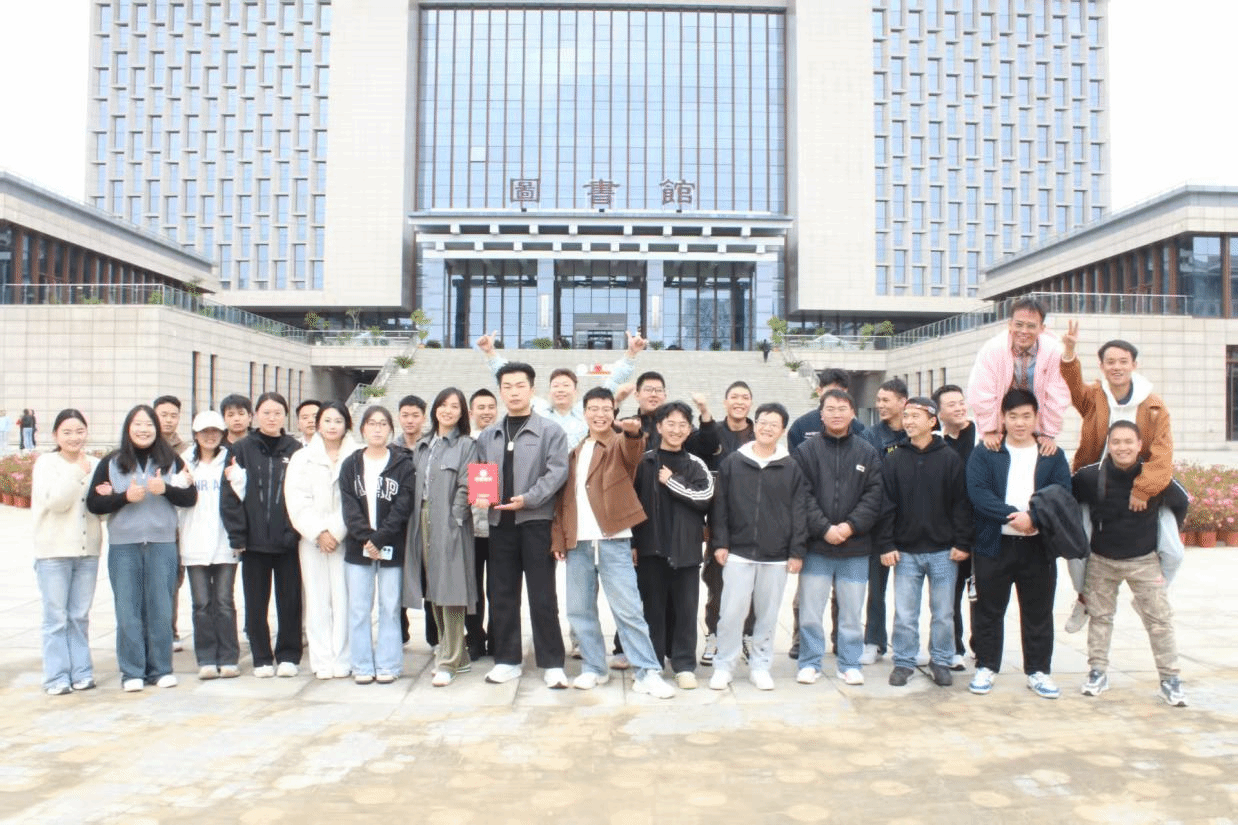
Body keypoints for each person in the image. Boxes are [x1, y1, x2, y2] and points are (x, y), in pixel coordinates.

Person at [551, 387, 674, 699]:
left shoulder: (619, 443)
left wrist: (633, 433)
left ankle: (647, 672)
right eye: (594, 408)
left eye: (606, 409)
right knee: (579, 611)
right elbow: (564, 500)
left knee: (628, 610)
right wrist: (559, 538)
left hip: (613, 541)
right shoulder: (576, 451)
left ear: (613, 413)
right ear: (584, 412)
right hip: (578, 543)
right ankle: (594, 667)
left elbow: (633, 451)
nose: (600, 414)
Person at [1059, 324, 1178, 634]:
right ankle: (1084, 598)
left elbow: (1163, 454)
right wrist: (1069, 353)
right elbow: (1073, 386)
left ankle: (1151, 596)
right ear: (1101, 366)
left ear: (1134, 364)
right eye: (1110, 361)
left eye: (1123, 361)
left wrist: (1144, 489)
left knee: (1174, 551)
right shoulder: (1094, 397)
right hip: (1095, 485)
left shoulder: (1153, 405)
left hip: (1140, 487)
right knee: (1077, 549)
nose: (1117, 367)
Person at [1072, 422, 1188, 707]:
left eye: (1128, 442)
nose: (1122, 448)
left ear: (1139, 446)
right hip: (1102, 560)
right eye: (1116, 442)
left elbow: (1181, 502)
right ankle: (1097, 672)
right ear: (1108, 445)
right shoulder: (1089, 476)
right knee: (1100, 618)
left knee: (1160, 621)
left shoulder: (1155, 477)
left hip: (1144, 561)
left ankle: (1170, 679)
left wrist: (1168, 536)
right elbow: (1069, 500)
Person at [965, 389, 1071, 699]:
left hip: (1037, 546)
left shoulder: (1051, 454)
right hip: (994, 544)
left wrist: (1034, 518)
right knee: (988, 609)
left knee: (1038, 611)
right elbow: (978, 493)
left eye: (1026, 416)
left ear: (1037, 418)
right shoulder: (987, 452)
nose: (1020, 423)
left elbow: (1062, 493)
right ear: (1003, 418)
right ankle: (986, 666)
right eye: (1013, 416)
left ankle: (1038, 671)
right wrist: (1014, 517)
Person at [87, 404, 197, 692]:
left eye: (149, 424)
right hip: (125, 546)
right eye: (137, 424)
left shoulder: (171, 460)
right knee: (128, 610)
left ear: (156, 429)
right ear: (128, 428)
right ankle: (132, 671)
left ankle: (161, 669)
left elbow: (190, 497)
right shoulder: (111, 462)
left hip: (162, 544)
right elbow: (94, 503)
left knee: (161, 608)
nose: (143, 429)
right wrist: (124, 497)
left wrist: (166, 490)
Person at [474, 362, 571, 688]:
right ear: (500, 391)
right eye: (507, 387)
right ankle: (507, 660)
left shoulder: (550, 431)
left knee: (542, 595)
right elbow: (481, 472)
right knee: (501, 593)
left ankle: (552, 663)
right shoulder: (489, 435)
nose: (513, 392)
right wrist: (481, 496)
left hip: (536, 523)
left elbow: (557, 472)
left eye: (520, 386)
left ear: (532, 390)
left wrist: (529, 499)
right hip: (499, 523)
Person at [709, 402, 807, 691]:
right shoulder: (734, 462)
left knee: (767, 614)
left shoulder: (791, 466)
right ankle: (724, 665)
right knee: (731, 613)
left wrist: (796, 551)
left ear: (782, 430)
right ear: (755, 425)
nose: (767, 428)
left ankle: (760, 665)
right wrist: (720, 543)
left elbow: (799, 511)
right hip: (738, 552)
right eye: (763, 422)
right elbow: (720, 506)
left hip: (776, 556)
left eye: (774, 424)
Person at [793, 389, 886, 686]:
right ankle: (810, 662)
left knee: (851, 613)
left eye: (842, 408)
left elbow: (874, 495)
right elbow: (801, 495)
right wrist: (824, 528)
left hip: (855, 548)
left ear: (853, 413)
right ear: (821, 414)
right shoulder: (806, 452)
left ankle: (849, 663)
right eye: (830, 409)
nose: (836, 414)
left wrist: (849, 527)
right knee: (810, 612)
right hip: (816, 548)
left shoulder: (866, 451)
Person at [881, 397, 972, 688]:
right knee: (905, 614)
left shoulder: (949, 459)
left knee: (943, 613)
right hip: (905, 552)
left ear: (932, 421)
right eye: (906, 416)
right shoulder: (894, 458)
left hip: (943, 551)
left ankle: (941, 660)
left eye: (915, 416)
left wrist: (962, 542)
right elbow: (886, 505)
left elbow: (961, 504)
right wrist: (886, 544)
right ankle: (904, 662)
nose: (908, 421)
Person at [220, 391, 303, 678]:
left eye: (277, 413)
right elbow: (230, 495)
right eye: (266, 412)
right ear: (256, 415)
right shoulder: (241, 449)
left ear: (285, 416)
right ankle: (262, 657)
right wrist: (237, 535)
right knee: (256, 603)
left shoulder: (296, 449)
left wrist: (295, 531)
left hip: (287, 541)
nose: (271, 418)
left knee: (290, 601)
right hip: (253, 542)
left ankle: (289, 655)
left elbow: (302, 494)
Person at [632, 401, 715, 688]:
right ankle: (652, 663)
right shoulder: (644, 462)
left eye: (683, 425)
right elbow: (632, 504)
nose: (676, 430)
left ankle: (684, 665)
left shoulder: (695, 464)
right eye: (671, 424)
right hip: (650, 549)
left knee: (685, 611)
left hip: (686, 551)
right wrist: (633, 543)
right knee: (652, 610)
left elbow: (705, 496)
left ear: (690, 430)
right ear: (659, 427)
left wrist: (672, 481)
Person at [404, 388, 479, 687]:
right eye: (443, 405)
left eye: (455, 406)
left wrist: (456, 517)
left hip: (451, 520)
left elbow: (468, 484)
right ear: (435, 408)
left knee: (453, 588)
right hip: (422, 518)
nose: (448, 410)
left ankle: (449, 660)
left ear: (462, 413)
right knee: (434, 587)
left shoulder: (466, 445)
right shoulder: (424, 444)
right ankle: (456, 655)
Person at [339, 406, 416, 684]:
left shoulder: (403, 465)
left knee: (390, 607)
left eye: (383, 424)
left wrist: (379, 539)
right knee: (359, 610)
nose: (377, 428)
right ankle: (361, 665)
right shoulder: (350, 464)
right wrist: (366, 538)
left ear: (390, 430)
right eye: (372, 423)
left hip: (392, 547)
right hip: (358, 548)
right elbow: (349, 506)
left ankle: (388, 664)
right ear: (362, 429)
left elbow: (403, 507)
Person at [284, 401, 360, 680]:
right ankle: (322, 659)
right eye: (327, 420)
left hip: (345, 538)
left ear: (347, 424)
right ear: (318, 424)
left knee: (343, 599)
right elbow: (296, 499)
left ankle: (343, 658)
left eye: (338, 421)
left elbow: (356, 500)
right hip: (312, 539)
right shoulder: (302, 458)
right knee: (316, 600)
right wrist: (318, 532)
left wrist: (336, 532)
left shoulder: (357, 456)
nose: (332, 426)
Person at [477, 329, 647, 448]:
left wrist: (631, 354)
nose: (560, 390)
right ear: (549, 391)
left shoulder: (585, 411)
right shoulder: (538, 409)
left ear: (576, 392)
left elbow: (613, 382)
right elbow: (511, 379)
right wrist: (490, 352)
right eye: (556, 386)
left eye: (566, 386)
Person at [32, 409, 103, 695]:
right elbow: (56, 502)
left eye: (80, 431)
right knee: (56, 618)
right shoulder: (46, 463)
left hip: (88, 553)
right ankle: (56, 677)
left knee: (79, 616)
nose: (75, 437)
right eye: (67, 432)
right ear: (55, 435)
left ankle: (82, 672)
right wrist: (76, 472)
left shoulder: (95, 464)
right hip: (53, 553)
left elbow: (99, 510)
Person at [179, 410, 241, 680]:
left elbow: (243, 496)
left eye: (215, 431)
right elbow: (176, 498)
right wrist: (181, 483)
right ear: (195, 435)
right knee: (201, 603)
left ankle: (228, 658)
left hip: (224, 542)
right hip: (194, 543)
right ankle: (206, 658)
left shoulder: (231, 460)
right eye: (204, 432)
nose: (210, 436)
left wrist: (237, 478)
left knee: (224, 602)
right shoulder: (185, 462)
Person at [966, 297, 1070, 456]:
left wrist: (1048, 434)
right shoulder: (992, 350)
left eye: (1031, 326)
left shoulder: (1054, 352)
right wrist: (990, 430)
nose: (1024, 331)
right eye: (1019, 325)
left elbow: (1058, 396)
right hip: (999, 425)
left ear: (1042, 328)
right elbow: (981, 392)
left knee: (1049, 457)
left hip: (1036, 427)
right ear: (1010, 324)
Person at [701, 380, 756, 667]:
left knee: (752, 587)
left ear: (750, 403)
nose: (739, 402)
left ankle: (747, 635)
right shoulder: (713, 434)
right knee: (717, 584)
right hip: (717, 523)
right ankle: (714, 635)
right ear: (725, 402)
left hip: (753, 523)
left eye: (745, 397)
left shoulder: (758, 434)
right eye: (734, 396)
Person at [859, 377, 909, 666]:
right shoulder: (871, 436)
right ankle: (873, 641)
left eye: (885, 400)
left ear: (903, 402)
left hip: (912, 524)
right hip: (879, 525)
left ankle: (907, 644)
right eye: (878, 400)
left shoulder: (917, 431)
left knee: (909, 592)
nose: (880, 405)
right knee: (876, 591)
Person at [932, 382, 980, 670]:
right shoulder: (936, 442)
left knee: (981, 594)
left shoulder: (982, 434)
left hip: (980, 528)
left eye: (962, 402)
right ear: (939, 413)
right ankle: (953, 648)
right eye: (952, 404)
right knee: (950, 595)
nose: (960, 408)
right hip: (949, 532)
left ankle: (981, 647)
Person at [465, 388, 499, 660]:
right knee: (472, 589)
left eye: (490, 407)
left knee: (499, 589)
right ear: (471, 412)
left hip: (499, 527)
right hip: (470, 529)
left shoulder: (503, 439)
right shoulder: (465, 443)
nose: (486, 412)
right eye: (481, 407)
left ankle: (499, 639)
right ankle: (475, 638)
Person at [394, 394, 429, 647]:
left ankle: (435, 636)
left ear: (424, 418)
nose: (410, 420)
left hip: (426, 519)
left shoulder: (431, 446)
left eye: (415, 415)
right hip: (399, 523)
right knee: (396, 578)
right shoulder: (391, 449)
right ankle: (399, 632)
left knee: (430, 578)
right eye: (405, 415)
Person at [154, 394, 186, 650]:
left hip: (178, 527)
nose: (168, 420)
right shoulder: (144, 445)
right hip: (151, 524)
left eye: (173, 415)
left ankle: (170, 630)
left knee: (173, 581)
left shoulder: (185, 450)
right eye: (163, 415)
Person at [787, 369, 866, 451]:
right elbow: (795, 456)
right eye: (831, 392)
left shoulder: (857, 427)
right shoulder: (801, 425)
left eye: (840, 392)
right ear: (819, 391)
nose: (835, 397)